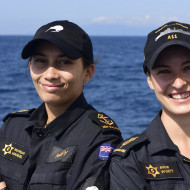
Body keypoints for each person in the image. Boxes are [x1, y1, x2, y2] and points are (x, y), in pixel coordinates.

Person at [0, 20, 122, 190]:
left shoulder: (99, 140)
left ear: (88, 72)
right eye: (40, 60)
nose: (50, 74)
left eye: (64, 62)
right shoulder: (13, 127)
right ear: (30, 66)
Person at [110, 21, 190, 189]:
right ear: (150, 80)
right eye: (164, 71)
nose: (178, 83)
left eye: (189, 68)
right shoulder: (130, 162)